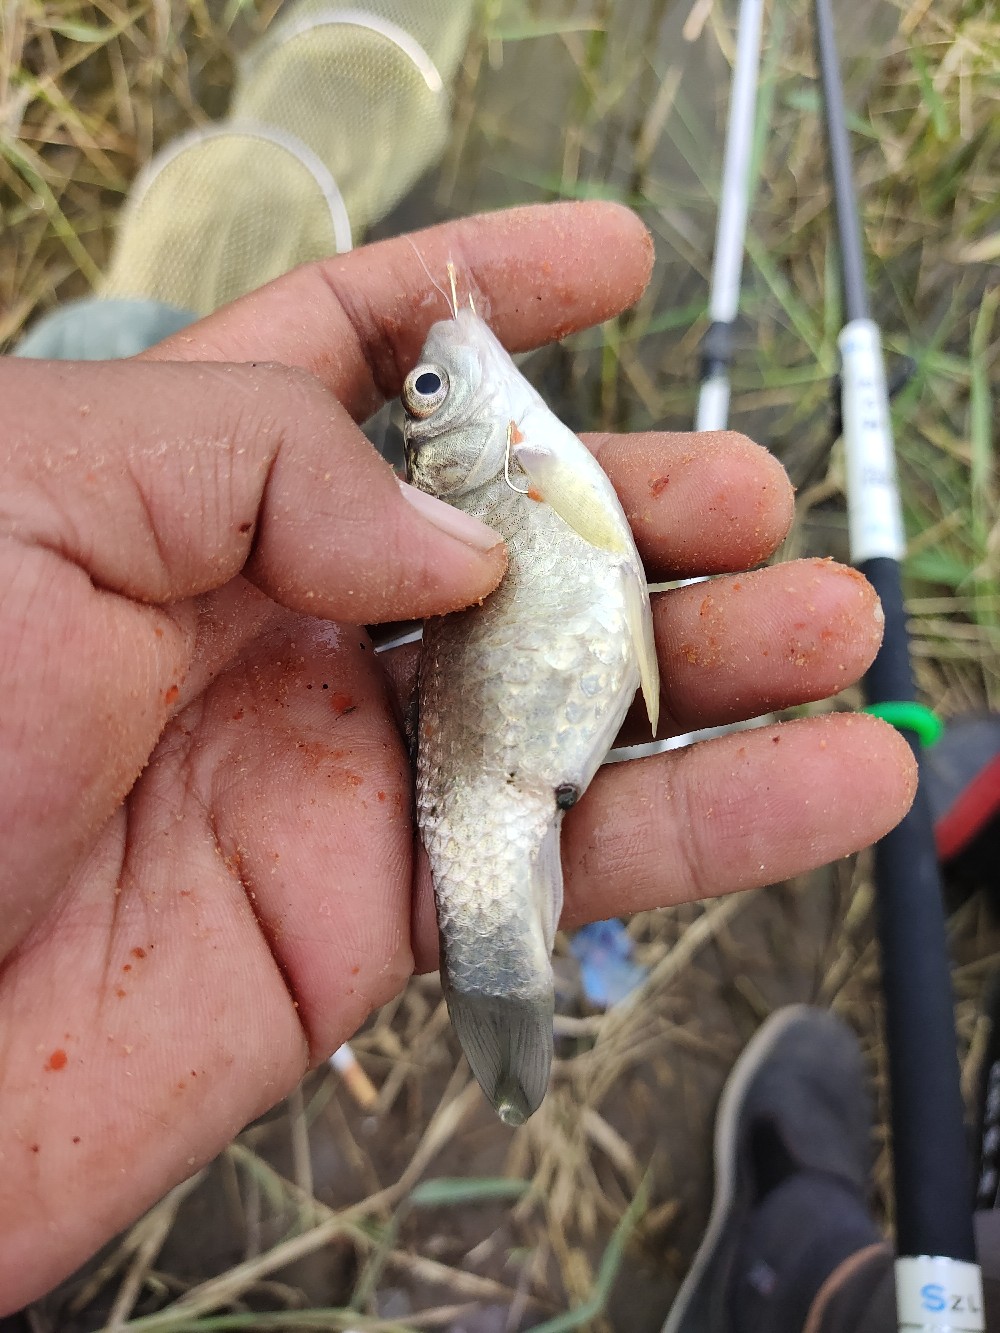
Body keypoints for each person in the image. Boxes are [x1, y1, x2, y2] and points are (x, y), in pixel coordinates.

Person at [0, 201, 917, 1313]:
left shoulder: (513, 472)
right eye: (428, 395)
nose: (438, 375)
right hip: (507, 751)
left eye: (427, 397)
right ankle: (505, 980)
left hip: (511, 739)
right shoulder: (511, 475)